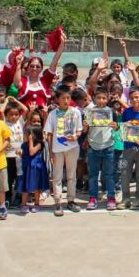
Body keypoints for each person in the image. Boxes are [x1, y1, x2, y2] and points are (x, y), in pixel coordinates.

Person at [43, 85, 83, 215]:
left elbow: (79, 130)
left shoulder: (76, 112)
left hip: (72, 148)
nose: (66, 101)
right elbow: (49, 134)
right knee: (57, 176)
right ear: (57, 100)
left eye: (68, 98)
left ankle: (71, 200)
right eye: (63, 98)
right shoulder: (52, 114)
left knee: (72, 175)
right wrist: (50, 152)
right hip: (57, 149)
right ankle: (58, 202)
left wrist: (75, 136)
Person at [84, 87, 117, 211]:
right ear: (94, 98)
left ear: (108, 99)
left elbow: (117, 128)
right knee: (93, 175)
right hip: (93, 147)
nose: (101, 100)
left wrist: (116, 126)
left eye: (104, 98)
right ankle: (93, 198)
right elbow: (84, 131)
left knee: (109, 175)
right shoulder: (89, 111)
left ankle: (111, 198)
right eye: (99, 98)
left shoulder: (111, 111)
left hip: (108, 146)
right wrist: (85, 127)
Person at [13, 35, 66, 112]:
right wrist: (18, 64)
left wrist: (62, 44)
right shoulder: (23, 81)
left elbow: (54, 61)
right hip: (24, 120)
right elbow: (16, 83)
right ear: (27, 68)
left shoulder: (45, 81)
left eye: (37, 67)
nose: (34, 68)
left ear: (41, 69)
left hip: (42, 120)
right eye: (32, 66)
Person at [20, 125, 49, 214]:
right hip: (27, 167)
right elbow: (24, 154)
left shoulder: (39, 144)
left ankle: (36, 204)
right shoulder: (24, 145)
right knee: (25, 186)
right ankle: (24, 204)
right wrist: (20, 152)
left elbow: (32, 152)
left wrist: (31, 140)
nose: (25, 135)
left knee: (37, 186)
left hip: (36, 167)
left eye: (27, 134)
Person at [4, 101, 24, 207]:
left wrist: (15, 101)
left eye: (16, 114)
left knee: (19, 176)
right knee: (8, 178)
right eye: (11, 114)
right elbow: (0, 111)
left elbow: (25, 110)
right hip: (8, 155)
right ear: (6, 114)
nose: (14, 117)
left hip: (19, 155)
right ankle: (7, 197)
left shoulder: (20, 121)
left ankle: (18, 197)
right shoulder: (3, 123)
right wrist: (7, 100)